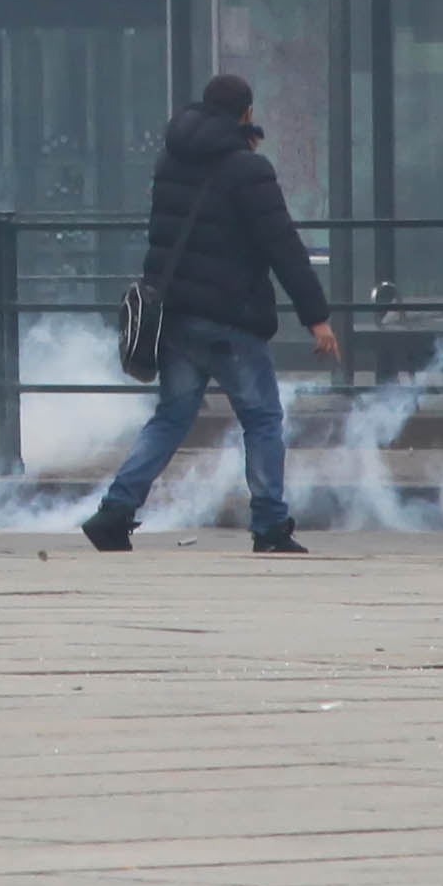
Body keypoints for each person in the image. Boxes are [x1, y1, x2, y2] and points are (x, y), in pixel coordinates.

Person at [83, 73, 341, 556]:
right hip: (232, 316)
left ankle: (114, 512)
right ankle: (269, 525)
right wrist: (316, 316)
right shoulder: (248, 168)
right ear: (246, 113)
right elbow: (282, 245)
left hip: (178, 314)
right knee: (262, 419)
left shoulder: (171, 159)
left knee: (171, 418)